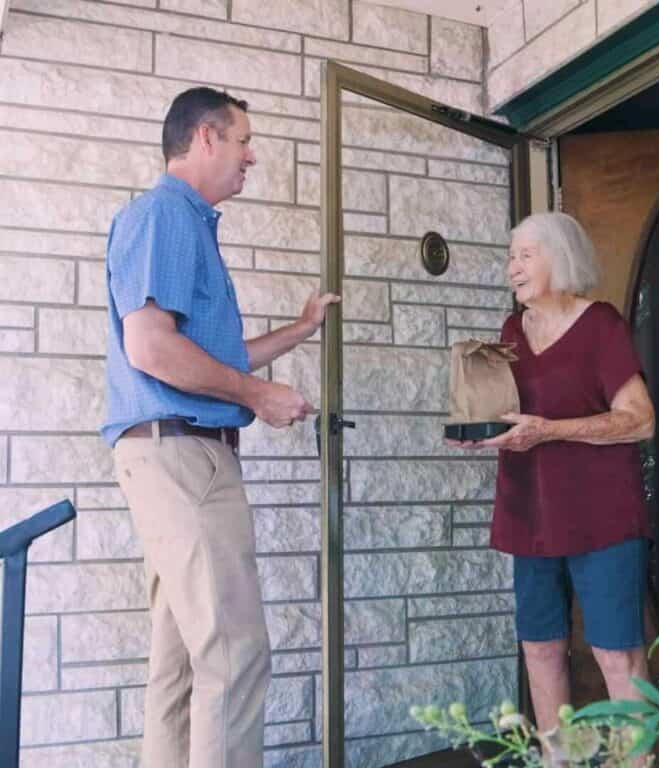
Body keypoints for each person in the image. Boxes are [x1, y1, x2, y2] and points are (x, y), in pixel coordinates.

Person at [101, 86, 339, 768]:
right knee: (234, 657)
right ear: (205, 138)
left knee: (181, 669)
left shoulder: (185, 224)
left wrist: (298, 331)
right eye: (242, 140)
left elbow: (206, 357)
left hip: (176, 455)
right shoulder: (164, 217)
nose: (251, 155)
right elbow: (152, 349)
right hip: (183, 460)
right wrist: (259, 394)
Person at [452, 212, 655, 733]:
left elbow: (640, 420)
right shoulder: (511, 330)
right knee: (540, 646)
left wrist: (550, 430)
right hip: (529, 512)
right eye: (509, 257)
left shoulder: (602, 324)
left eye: (524, 255)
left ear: (559, 256)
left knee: (617, 655)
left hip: (601, 516)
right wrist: (480, 429)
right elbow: (510, 412)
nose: (511, 268)